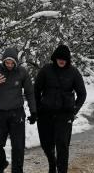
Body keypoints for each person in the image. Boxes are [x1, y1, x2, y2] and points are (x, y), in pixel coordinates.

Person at [0, 47, 37, 173]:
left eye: (12, 63)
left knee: (18, 146)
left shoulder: (22, 72)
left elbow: (29, 92)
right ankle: (2, 162)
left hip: (17, 113)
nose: (10, 65)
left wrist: (34, 112)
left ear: (16, 62)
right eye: (7, 62)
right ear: (3, 61)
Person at [34, 45, 87, 173]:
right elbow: (35, 90)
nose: (61, 61)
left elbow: (82, 94)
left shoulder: (74, 72)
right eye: (59, 58)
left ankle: (62, 170)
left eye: (64, 59)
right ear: (55, 58)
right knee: (46, 144)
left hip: (64, 115)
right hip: (45, 114)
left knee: (62, 146)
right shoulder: (46, 70)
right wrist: (38, 108)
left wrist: (74, 111)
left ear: (68, 60)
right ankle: (52, 164)